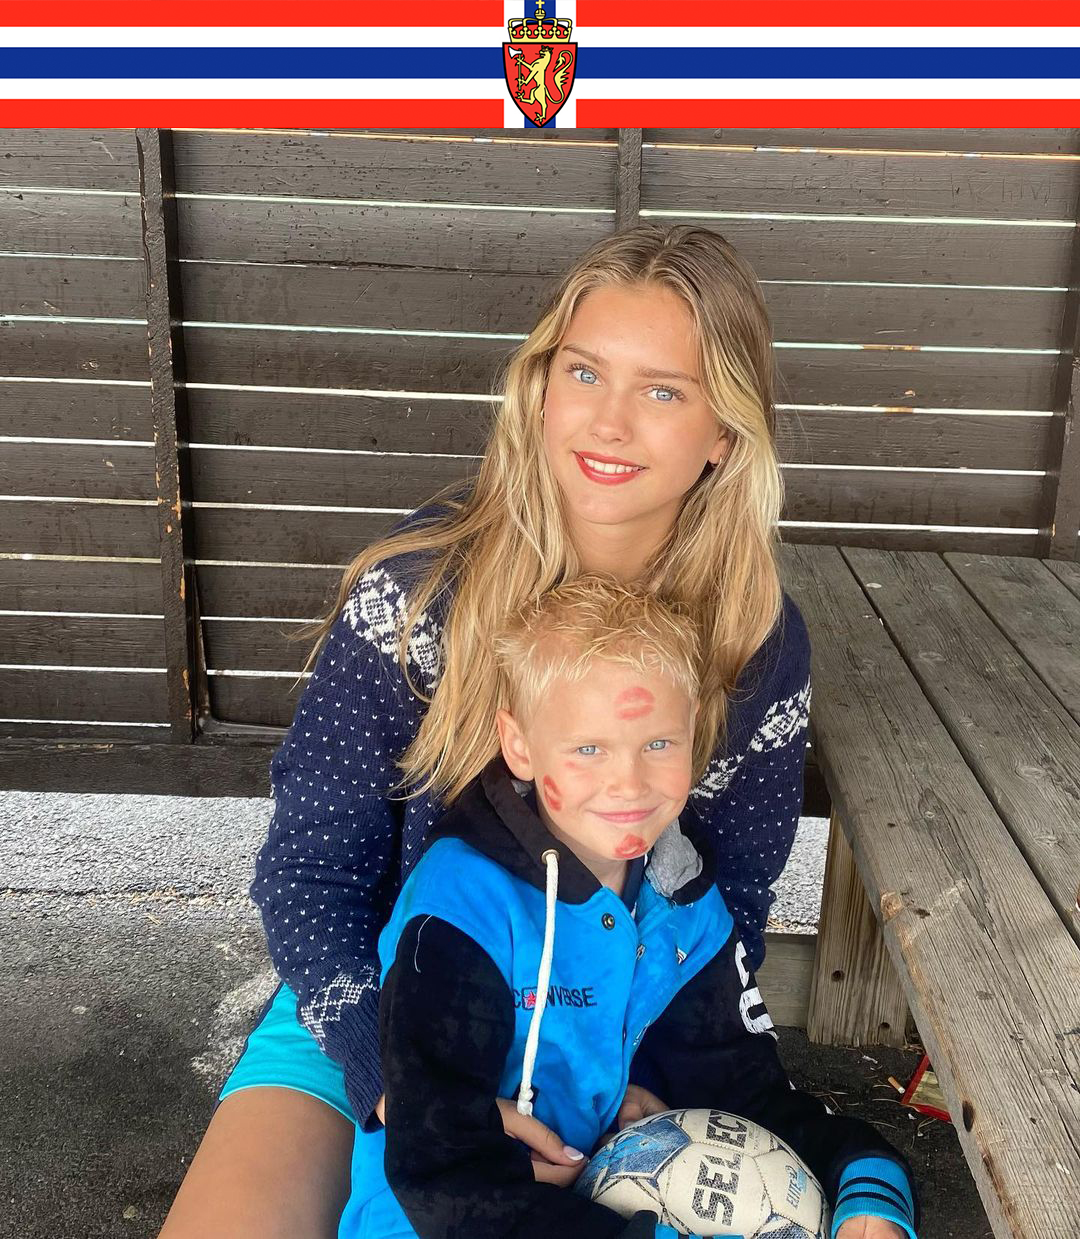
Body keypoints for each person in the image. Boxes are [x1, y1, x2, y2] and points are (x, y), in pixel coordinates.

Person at [160, 224, 816, 1238]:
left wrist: (642, 1077)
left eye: (662, 391)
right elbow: (311, 875)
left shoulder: (754, 642)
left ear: (724, 433)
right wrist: (399, 1085)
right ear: (540, 386)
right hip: (384, 1012)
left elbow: (733, 905)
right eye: (584, 372)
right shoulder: (416, 596)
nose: (608, 422)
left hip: (602, 1040)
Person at [339, 578, 918, 1239]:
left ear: (694, 734)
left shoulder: (683, 903)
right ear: (520, 745)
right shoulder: (461, 909)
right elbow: (437, 1165)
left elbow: (746, 1091)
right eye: (589, 748)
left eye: (659, 744)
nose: (629, 783)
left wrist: (866, 1176)